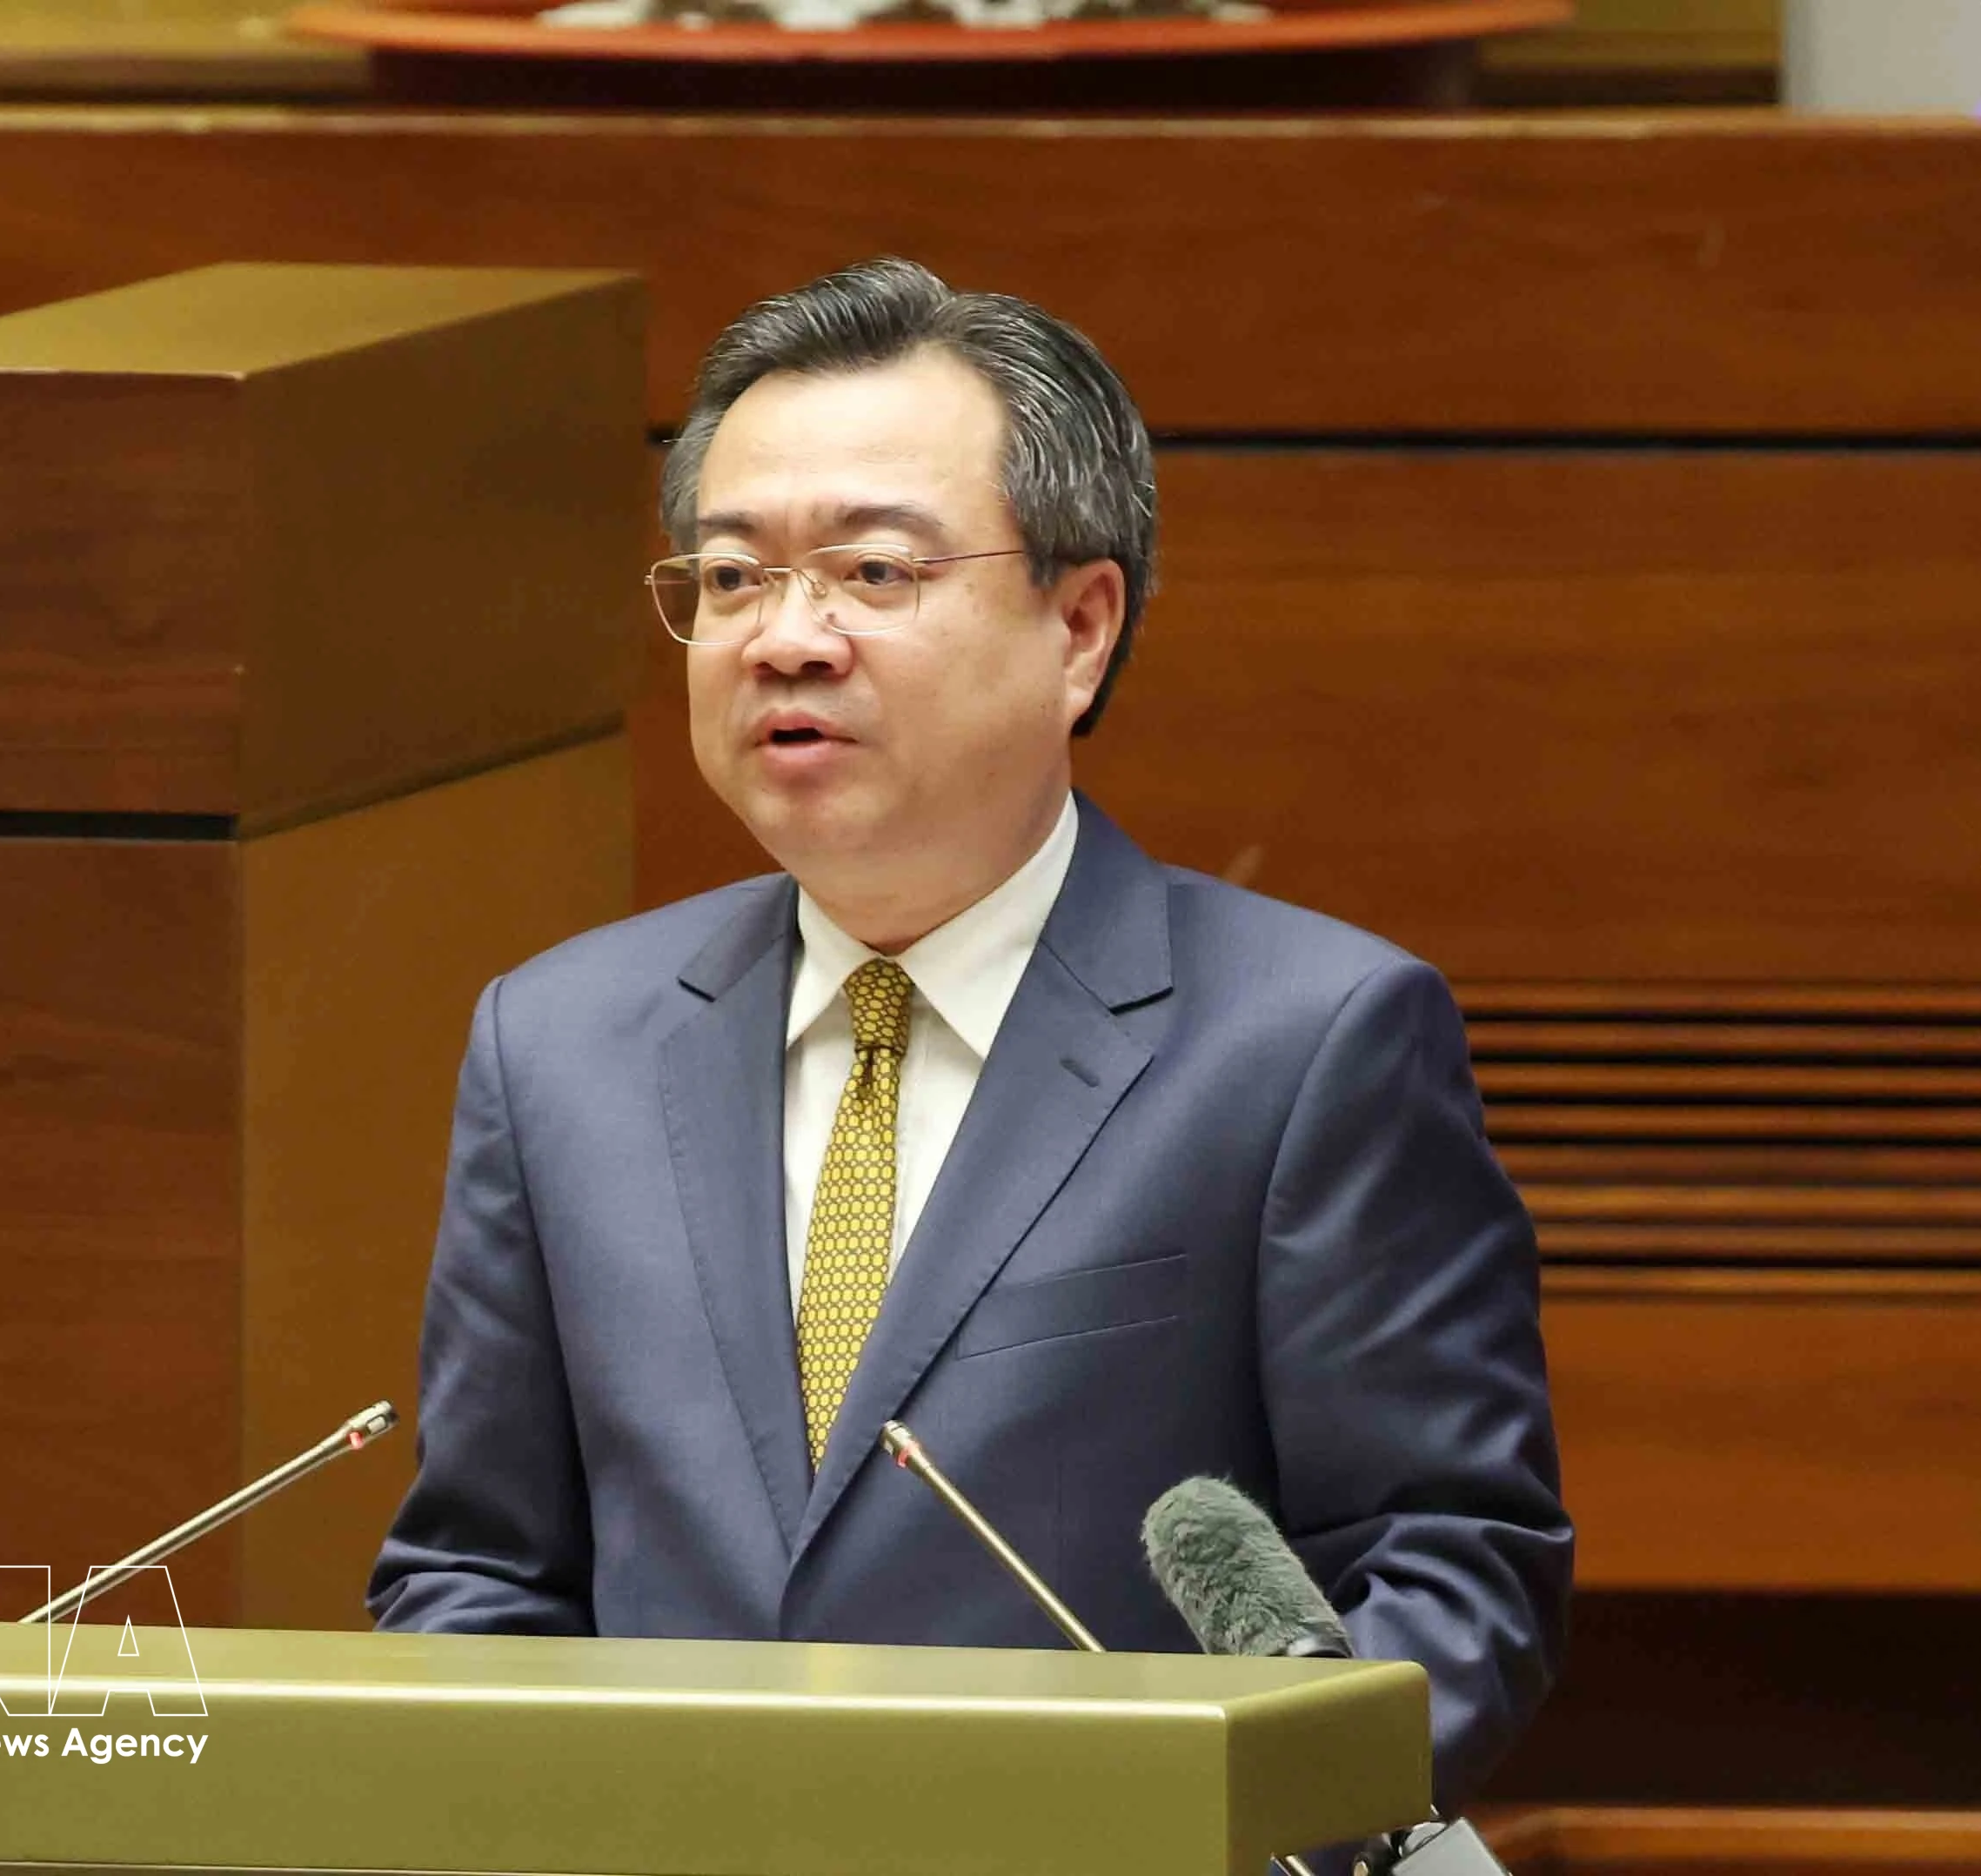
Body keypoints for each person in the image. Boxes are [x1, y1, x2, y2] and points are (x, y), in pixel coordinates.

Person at [369, 257, 1571, 1809]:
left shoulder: (1310, 1040)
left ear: (1079, 627)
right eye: (731, 579)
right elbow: (477, 1571)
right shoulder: (558, 1044)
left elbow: (1452, 1577)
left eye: (873, 573)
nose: (784, 638)